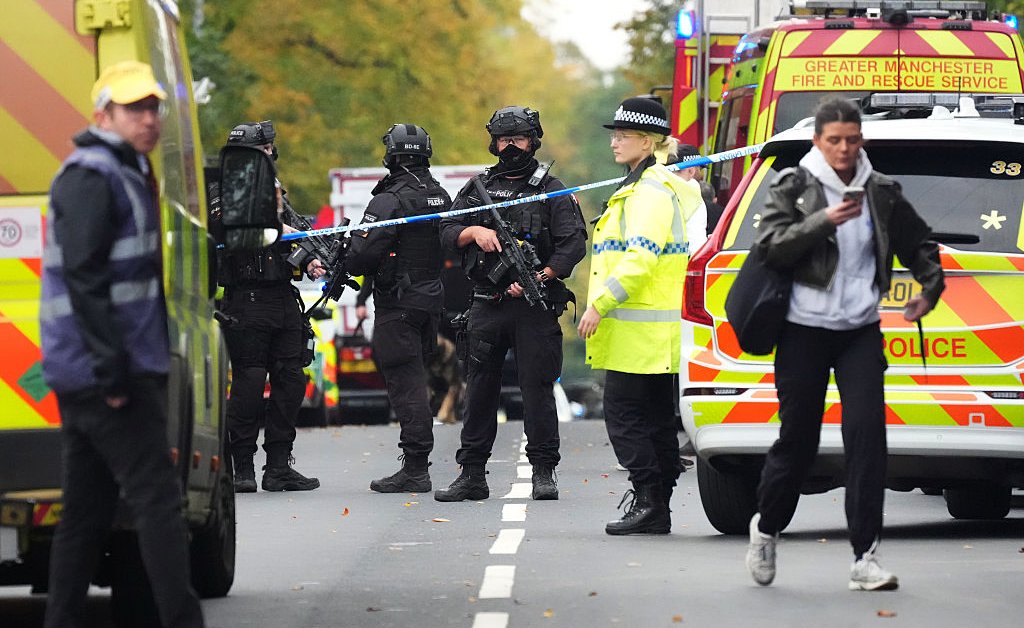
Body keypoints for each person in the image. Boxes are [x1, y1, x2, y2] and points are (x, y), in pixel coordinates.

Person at [744, 98, 944, 591]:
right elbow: (770, 247)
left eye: (852, 140)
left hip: (859, 330)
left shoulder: (880, 191)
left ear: (862, 140)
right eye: (834, 140)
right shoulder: (794, 185)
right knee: (799, 442)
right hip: (803, 330)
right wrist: (824, 221)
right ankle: (767, 527)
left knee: (867, 439)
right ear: (819, 141)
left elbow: (919, 244)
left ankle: (865, 558)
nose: (844, 149)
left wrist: (929, 289)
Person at [40, 60, 205, 628]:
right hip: (110, 374)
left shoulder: (122, 170)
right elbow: (85, 278)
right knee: (157, 501)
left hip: (96, 370)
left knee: (85, 514)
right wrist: (112, 372)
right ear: (102, 115)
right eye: (134, 108)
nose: (149, 118)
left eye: (153, 107)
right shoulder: (93, 175)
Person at [436, 105, 587, 502]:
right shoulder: (478, 187)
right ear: (494, 143)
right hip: (487, 304)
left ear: (532, 141)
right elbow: (446, 229)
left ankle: (544, 472)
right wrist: (474, 231)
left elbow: (573, 244)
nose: (511, 147)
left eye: (518, 139)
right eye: (504, 140)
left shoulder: (552, 189)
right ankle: (472, 474)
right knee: (479, 390)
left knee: (537, 389)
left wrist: (542, 276)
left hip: (534, 308)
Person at [577, 97, 704, 535]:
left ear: (647, 142)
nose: (614, 142)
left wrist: (599, 304)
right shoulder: (645, 186)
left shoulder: (649, 192)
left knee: (625, 417)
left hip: (639, 335)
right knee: (655, 420)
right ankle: (656, 506)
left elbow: (640, 259)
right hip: (652, 333)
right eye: (614, 135)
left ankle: (649, 499)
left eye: (623, 135)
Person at [215, 120, 324, 493]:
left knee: (291, 380)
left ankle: (278, 466)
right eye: (260, 150)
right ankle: (242, 467)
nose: (267, 155)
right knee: (248, 384)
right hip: (246, 301)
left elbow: (296, 237)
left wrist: (310, 260)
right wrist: (277, 228)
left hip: (282, 299)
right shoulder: (224, 190)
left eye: (268, 150)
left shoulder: (278, 191)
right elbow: (230, 229)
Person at [346, 123, 452, 493]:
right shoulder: (439, 194)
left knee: (406, 383)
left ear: (392, 153)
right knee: (417, 377)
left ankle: (415, 468)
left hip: (398, 304)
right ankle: (416, 464)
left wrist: (348, 250)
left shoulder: (389, 200)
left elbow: (361, 255)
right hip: (430, 302)